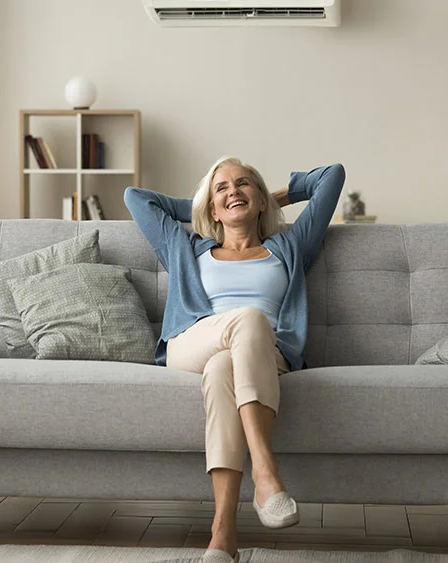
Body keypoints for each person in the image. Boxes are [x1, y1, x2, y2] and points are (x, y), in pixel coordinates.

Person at [123, 157, 346, 563]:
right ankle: (265, 472)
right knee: (247, 319)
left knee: (225, 365)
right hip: (193, 343)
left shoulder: (290, 246)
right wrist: (204, 202)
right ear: (210, 207)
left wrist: (272, 196)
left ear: (260, 201)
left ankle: (223, 533)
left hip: (264, 355)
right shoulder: (185, 247)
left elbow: (333, 176)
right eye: (222, 188)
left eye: (243, 185)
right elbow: (135, 197)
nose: (233, 192)